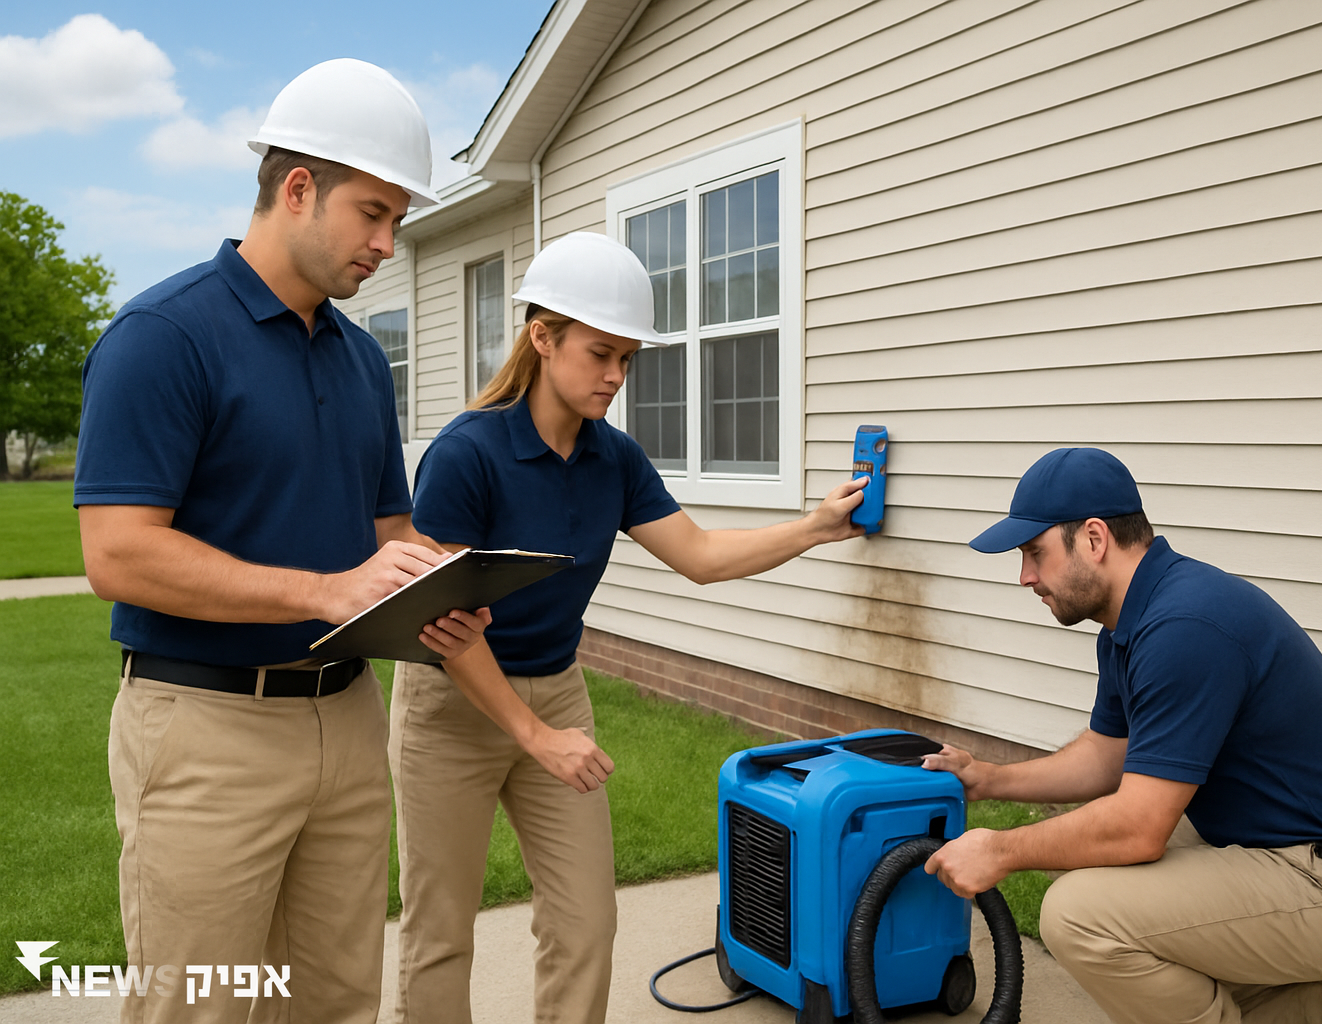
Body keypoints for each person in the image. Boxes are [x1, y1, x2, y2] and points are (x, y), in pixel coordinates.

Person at [74, 59, 489, 1024]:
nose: (388, 244)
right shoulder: (162, 337)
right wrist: (324, 591)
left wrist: (438, 578)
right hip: (203, 727)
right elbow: (118, 555)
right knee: (199, 1006)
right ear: (296, 189)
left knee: (336, 998)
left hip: (346, 721)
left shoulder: (359, 362)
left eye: (398, 221)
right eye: (374, 214)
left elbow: (388, 530)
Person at [388, 231, 868, 1024]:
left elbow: (702, 555)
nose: (616, 375)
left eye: (627, 359)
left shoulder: (614, 458)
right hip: (453, 706)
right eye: (600, 353)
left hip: (556, 694)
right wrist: (532, 736)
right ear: (543, 338)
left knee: (586, 920)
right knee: (440, 930)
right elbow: (445, 625)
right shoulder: (466, 455)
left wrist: (812, 527)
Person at [920, 447, 1322, 1024]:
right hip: (1275, 856)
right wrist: (989, 779)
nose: (1025, 576)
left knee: (1080, 914)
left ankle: (1305, 990)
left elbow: (1138, 828)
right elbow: (1108, 756)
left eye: (1034, 552)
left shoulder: (1185, 627)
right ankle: (1302, 1003)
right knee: (1108, 866)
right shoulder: (1135, 620)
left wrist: (1000, 850)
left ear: (1094, 539)